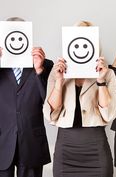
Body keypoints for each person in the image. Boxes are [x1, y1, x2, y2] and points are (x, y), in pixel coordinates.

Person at [43, 21, 116, 177]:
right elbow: (51, 114)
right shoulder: (57, 72)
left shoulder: (108, 73)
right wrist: (59, 80)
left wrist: (101, 81)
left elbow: (109, 115)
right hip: (66, 149)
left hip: (95, 148)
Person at [0, 17, 53, 177]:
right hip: (2, 142)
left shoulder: (46, 65)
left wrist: (39, 71)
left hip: (32, 142)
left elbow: (49, 103)